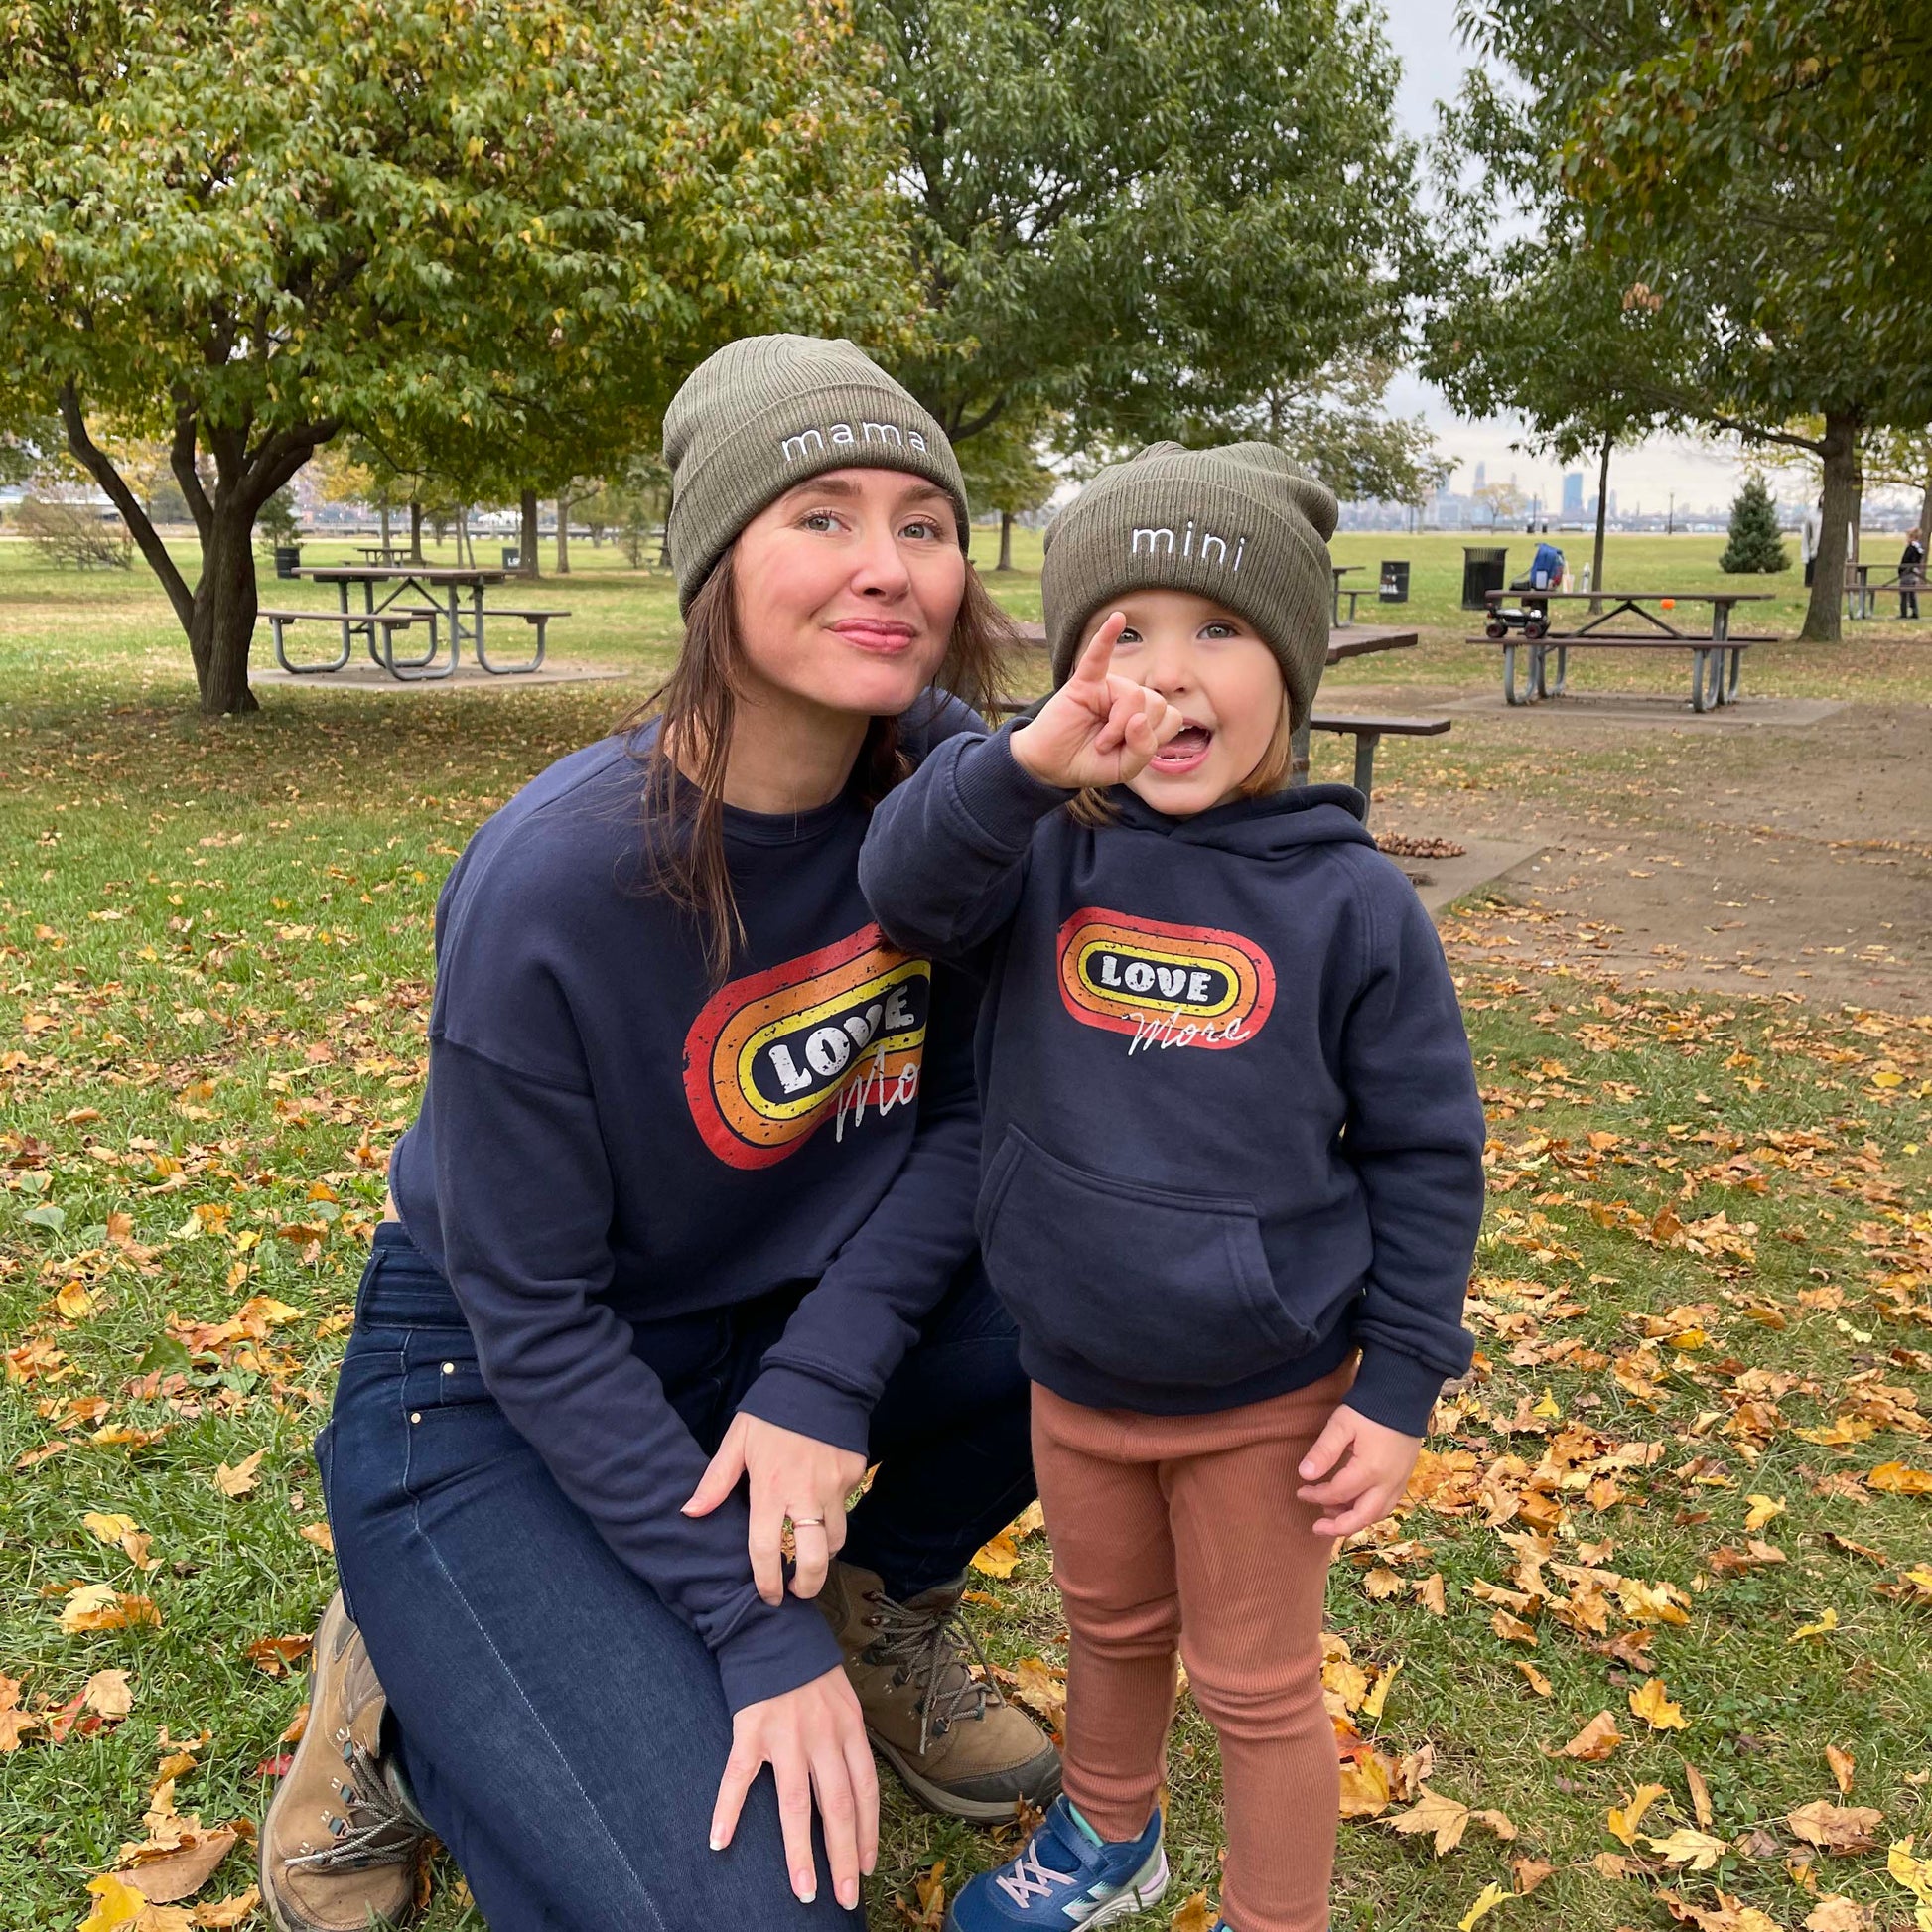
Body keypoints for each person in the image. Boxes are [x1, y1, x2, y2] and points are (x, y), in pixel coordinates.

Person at [259, 336, 1062, 1932]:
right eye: (821, 515)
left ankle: (871, 1593)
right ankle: (409, 1692)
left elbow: (970, 1113)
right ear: (714, 568)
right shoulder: (553, 880)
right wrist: (743, 1633)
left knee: (1149, 1267)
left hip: (773, 1332)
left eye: (922, 522)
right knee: (765, 1913)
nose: (886, 564)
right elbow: (532, 1313)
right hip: (496, 1381)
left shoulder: (955, 802)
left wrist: (822, 1377)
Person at [858, 443, 1487, 1932]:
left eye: (1217, 629)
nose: (1167, 670)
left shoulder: (1350, 902)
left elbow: (1425, 1148)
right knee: (1110, 1628)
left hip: (1261, 1391)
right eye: (1121, 632)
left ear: (1292, 668)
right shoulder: (1038, 852)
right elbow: (904, 890)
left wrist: (1401, 1380)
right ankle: (1108, 1835)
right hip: (1072, 1368)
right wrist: (1021, 765)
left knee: (1257, 1686)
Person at [1901, 527, 1924, 620]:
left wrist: (1902, 570)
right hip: (1914, 573)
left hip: (1908, 573)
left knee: (1904, 593)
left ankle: (1904, 613)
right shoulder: (1919, 548)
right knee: (1912, 594)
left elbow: (1908, 560)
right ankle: (1915, 612)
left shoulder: (1911, 548)